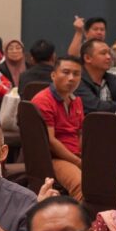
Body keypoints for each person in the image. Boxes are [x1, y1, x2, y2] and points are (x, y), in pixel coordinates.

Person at [31, 57, 85, 200]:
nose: (71, 78)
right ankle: (80, 215)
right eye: (66, 72)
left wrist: (85, 157)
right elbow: (51, 141)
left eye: (76, 74)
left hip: (75, 155)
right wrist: (78, 162)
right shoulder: (44, 100)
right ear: (53, 75)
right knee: (82, 185)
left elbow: (80, 133)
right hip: (54, 159)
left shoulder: (76, 100)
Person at [76, 39, 116, 119]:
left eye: (109, 53)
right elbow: (95, 108)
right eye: (103, 53)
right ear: (87, 58)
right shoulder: (77, 81)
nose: (109, 57)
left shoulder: (114, 80)